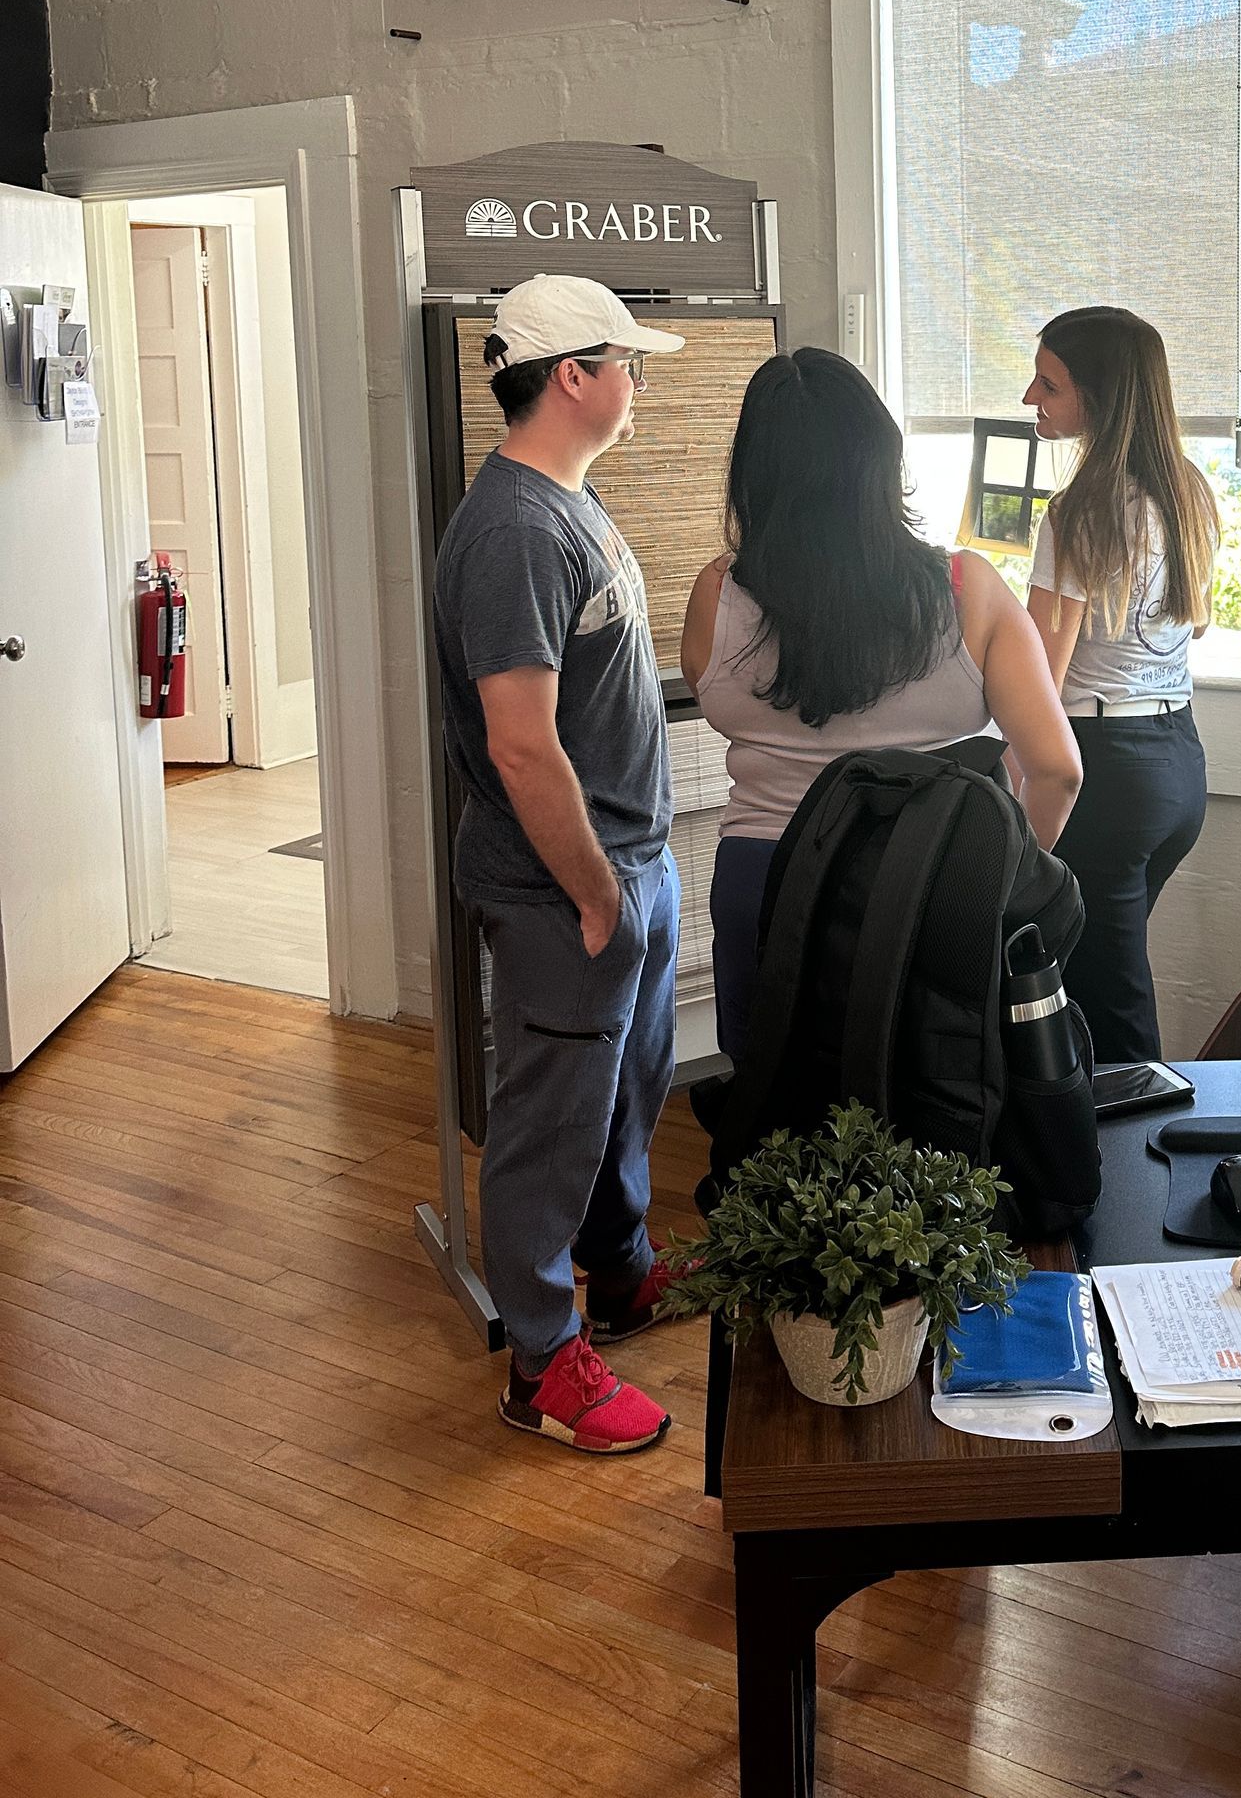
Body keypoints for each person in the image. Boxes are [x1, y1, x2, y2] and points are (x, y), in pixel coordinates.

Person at [433, 274, 684, 1455]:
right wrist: (594, 892)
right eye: (626, 360)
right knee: (549, 1124)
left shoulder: (566, 503)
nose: (640, 378)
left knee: (621, 1097)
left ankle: (620, 1272)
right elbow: (520, 743)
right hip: (565, 892)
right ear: (573, 375)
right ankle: (542, 1361)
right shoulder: (517, 532)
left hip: (625, 869)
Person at [683, 347, 1082, 1061]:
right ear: (880, 458)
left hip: (762, 878)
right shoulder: (968, 590)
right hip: (927, 881)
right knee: (932, 1103)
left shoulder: (718, 593)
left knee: (773, 1102)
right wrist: (1000, 878)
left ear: (753, 471)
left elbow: (717, 694)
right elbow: (1056, 770)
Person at [1023, 306, 1219, 1065]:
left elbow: (1046, 667)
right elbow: (1192, 623)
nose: (1031, 398)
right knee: (1100, 976)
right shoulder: (1188, 492)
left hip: (1107, 767)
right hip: (1177, 765)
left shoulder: (1081, 512)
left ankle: (1134, 1170)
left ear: (1098, 398)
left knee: (1113, 1008)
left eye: (1049, 384)